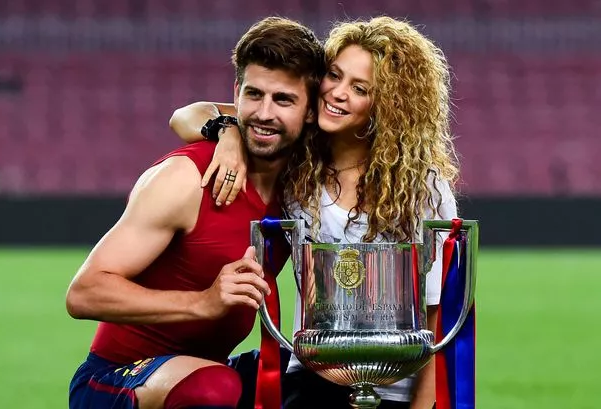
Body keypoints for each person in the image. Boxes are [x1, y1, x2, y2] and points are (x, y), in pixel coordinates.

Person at [169, 16, 458, 409]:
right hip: (312, 378)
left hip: (393, 389)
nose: (337, 93)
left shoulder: (421, 186)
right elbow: (186, 115)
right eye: (334, 76)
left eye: (359, 88)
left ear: (387, 105)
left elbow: (435, 315)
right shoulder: (297, 160)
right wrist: (229, 132)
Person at [65, 16, 324, 409]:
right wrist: (203, 302)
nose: (264, 113)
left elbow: (192, 113)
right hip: (116, 379)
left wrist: (228, 129)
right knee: (214, 390)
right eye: (253, 95)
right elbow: (83, 293)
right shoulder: (187, 178)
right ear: (236, 92)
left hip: (209, 369)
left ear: (309, 110)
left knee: (321, 377)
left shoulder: (301, 181)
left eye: (283, 99)